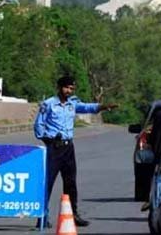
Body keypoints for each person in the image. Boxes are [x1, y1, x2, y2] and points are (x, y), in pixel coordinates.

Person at [33, 76, 118, 229]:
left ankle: (73, 214)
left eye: (71, 88)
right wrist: (48, 140)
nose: (69, 91)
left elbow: (87, 107)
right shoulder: (49, 104)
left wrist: (103, 107)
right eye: (66, 88)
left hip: (68, 148)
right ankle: (42, 216)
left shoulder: (72, 103)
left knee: (70, 183)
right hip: (54, 147)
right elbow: (39, 125)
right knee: (48, 182)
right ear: (59, 87)